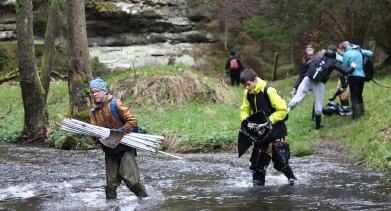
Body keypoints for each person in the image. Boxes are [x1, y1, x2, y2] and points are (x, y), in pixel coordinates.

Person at [89, 77, 148, 200]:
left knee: (133, 183)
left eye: (97, 91)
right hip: (109, 150)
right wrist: (98, 138)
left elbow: (132, 121)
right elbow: (93, 133)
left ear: (104, 91)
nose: (94, 94)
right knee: (110, 185)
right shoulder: (94, 111)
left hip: (124, 148)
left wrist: (121, 131)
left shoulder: (116, 104)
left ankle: (146, 201)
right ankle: (111, 206)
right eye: (92, 92)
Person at [239, 69, 297, 186]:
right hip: (260, 131)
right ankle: (258, 187)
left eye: (248, 84)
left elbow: (283, 111)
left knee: (281, 160)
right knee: (257, 162)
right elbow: (244, 110)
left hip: (276, 129)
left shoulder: (269, 91)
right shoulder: (247, 93)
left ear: (255, 80)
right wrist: (246, 121)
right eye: (245, 85)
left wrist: (269, 120)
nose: (247, 87)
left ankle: (293, 180)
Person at [287, 45, 357, 129]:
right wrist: (353, 67)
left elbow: (308, 63)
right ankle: (318, 126)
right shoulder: (334, 62)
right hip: (319, 82)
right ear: (335, 52)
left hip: (308, 78)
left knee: (297, 96)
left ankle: (285, 112)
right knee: (318, 103)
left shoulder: (319, 56)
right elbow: (345, 72)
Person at [341, 41, 373, 119]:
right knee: (359, 94)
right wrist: (360, 49)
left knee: (354, 96)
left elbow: (344, 67)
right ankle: (362, 112)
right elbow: (370, 53)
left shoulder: (346, 54)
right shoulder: (359, 50)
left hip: (353, 76)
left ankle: (357, 116)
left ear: (344, 48)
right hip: (362, 76)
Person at [291, 45, 316, 120]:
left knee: (317, 99)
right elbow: (301, 75)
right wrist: (295, 86)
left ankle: (315, 116)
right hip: (309, 82)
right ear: (306, 55)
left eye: (312, 55)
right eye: (309, 56)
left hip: (318, 82)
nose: (311, 57)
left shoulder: (319, 59)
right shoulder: (305, 63)